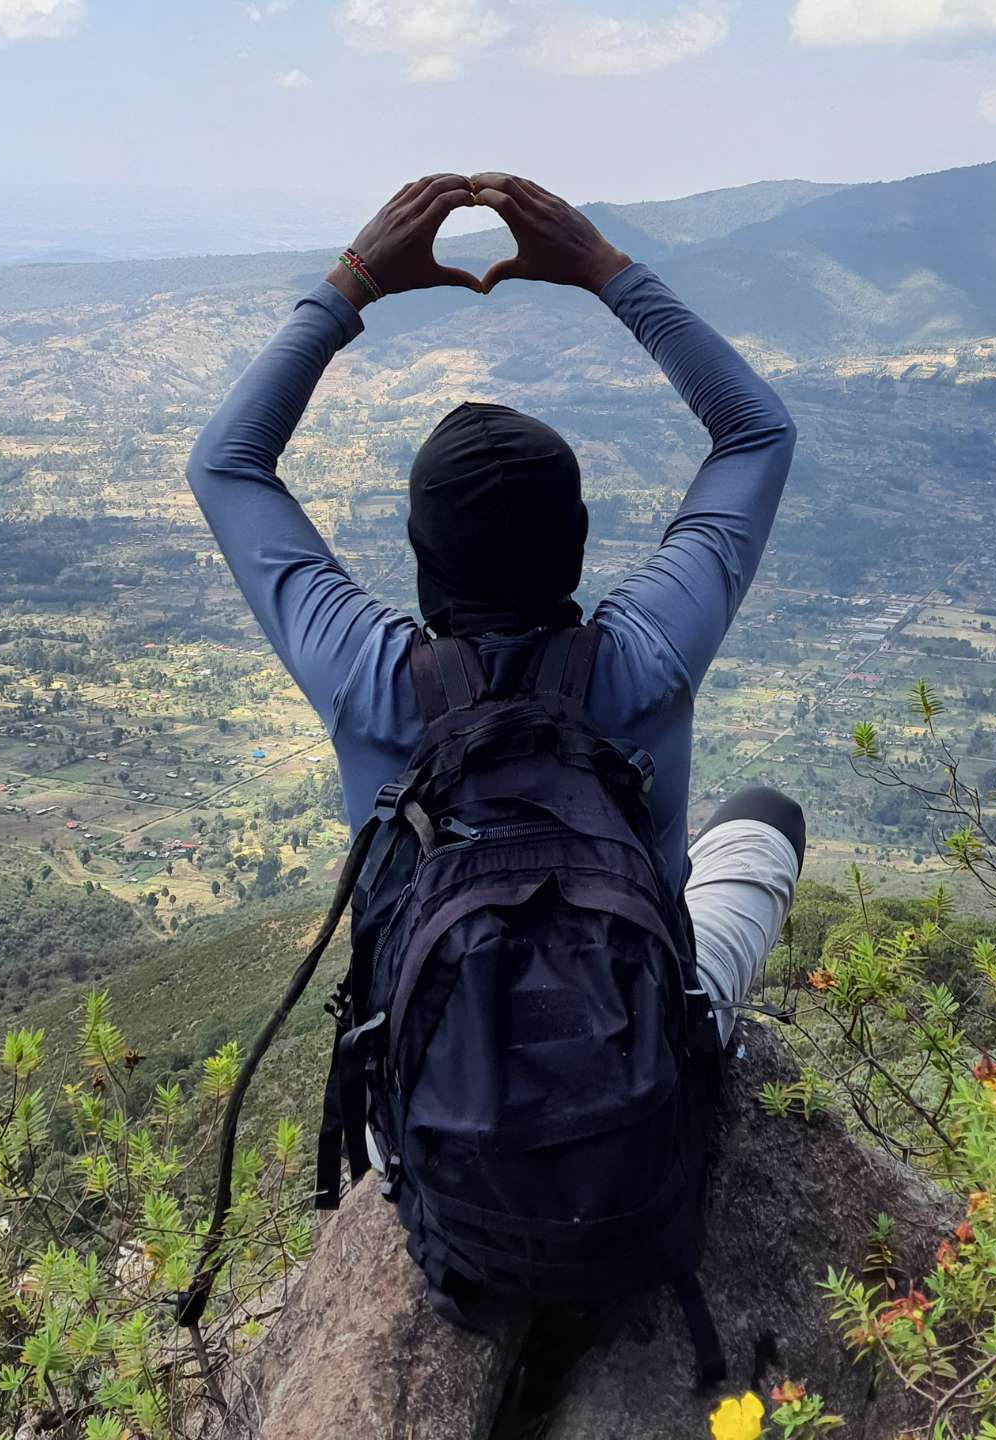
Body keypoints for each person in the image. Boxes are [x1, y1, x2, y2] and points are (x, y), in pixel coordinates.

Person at [187, 171, 803, 1045]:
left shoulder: (371, 684)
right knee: (765, 818)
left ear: (419, 554)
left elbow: (226, 464)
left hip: (438, 1126)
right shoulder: (649, 660)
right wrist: (604, 268)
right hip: (651, 1055)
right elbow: (755, 430)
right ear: (579, 536)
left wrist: (354, 280)